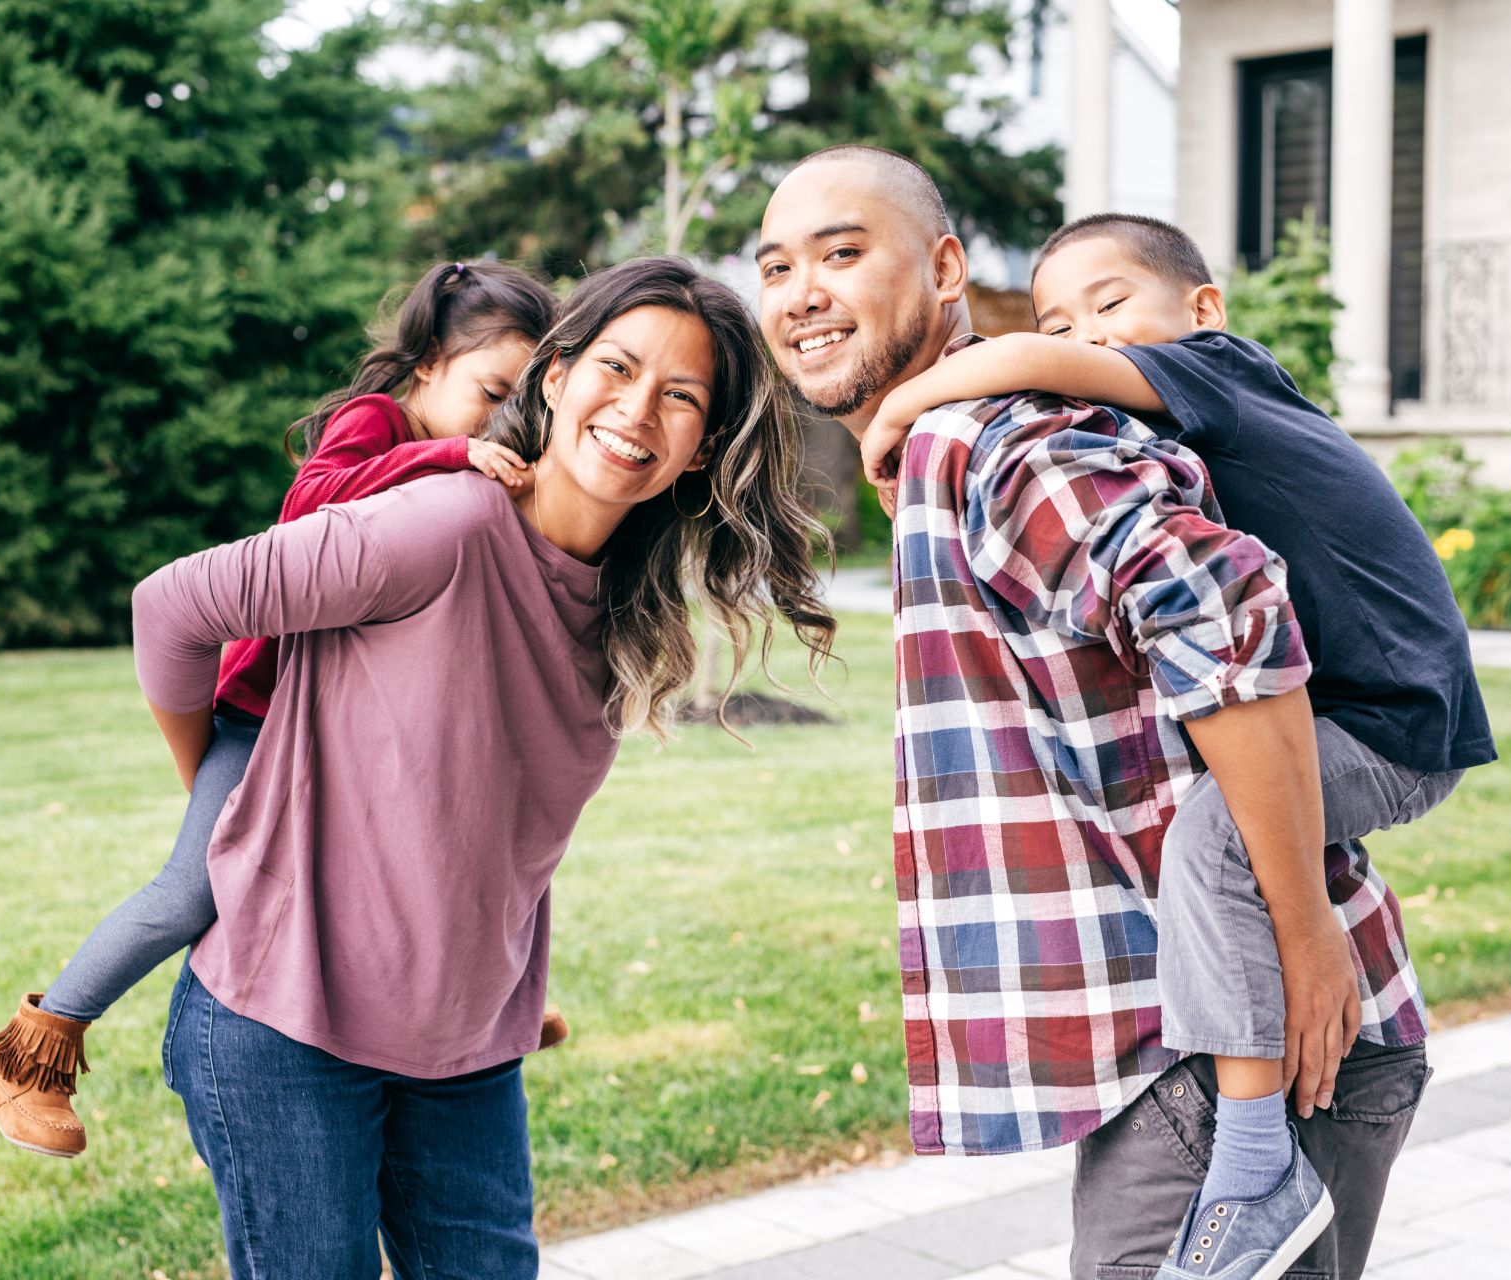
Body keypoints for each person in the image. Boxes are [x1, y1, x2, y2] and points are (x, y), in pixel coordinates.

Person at [758, 145, 1431, 1280]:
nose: (800, 293)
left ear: (945, 266)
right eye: (775, 267)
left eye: (842, 251)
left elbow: (1228, 612)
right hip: (1208, 1047)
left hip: (1241, 1054)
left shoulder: (998, 438)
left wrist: (1307, 935)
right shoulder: (954, 441)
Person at [139, 255, 830, 1278]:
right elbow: (173, 606)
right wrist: (229, 790)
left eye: (681, 396)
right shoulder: (444, 524)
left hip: (462, 1049)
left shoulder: (628, 615)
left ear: (700, 448)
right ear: (554, 378)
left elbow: (490, 824)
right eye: (617, 366)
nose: (638, 408)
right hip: (285, 1020)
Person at [0, 260, 560, 1159]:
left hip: (352, 720)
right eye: (489, 392)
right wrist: (446, 454)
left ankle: (487, 1001)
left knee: (445, 840)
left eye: (519, 407)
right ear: (428, 367)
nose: (498, 423)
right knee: (190, 892)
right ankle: (36, 1049)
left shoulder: (476, 461)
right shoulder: (376, 423)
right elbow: (310, 503)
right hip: (267, 714)